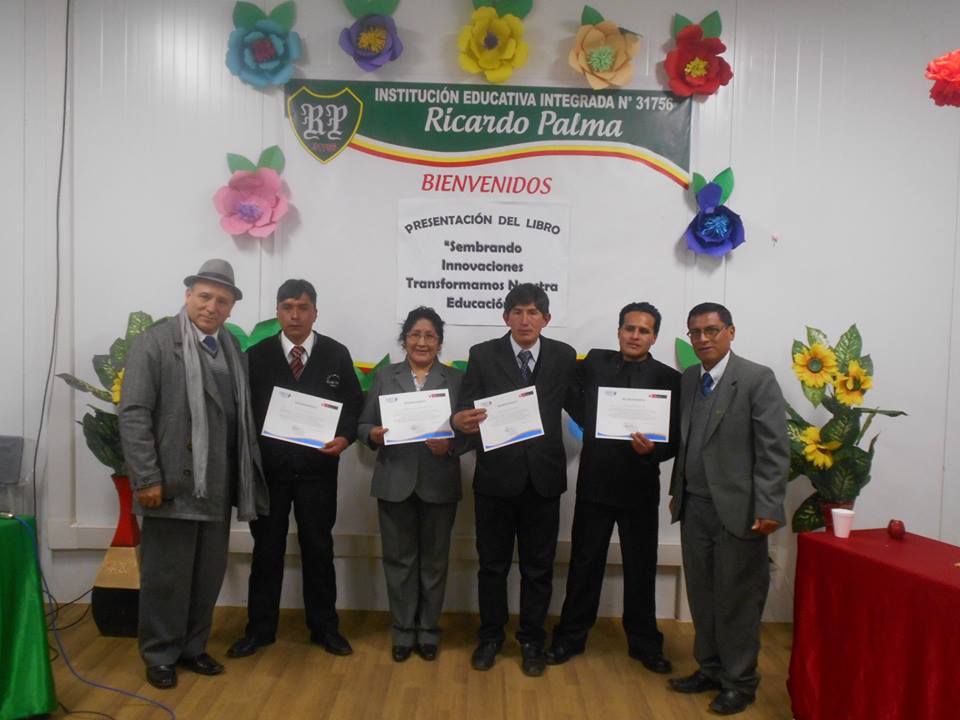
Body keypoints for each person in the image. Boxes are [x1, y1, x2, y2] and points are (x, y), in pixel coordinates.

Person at [119, 258, 268, 690]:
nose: (211, 307)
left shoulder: (232, 348)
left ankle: (192, 647)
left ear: (231, 308)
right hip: (172, 483)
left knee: (206, 575)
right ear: (188, 295)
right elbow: (133, 414)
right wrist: (146, 478)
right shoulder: (155, 343)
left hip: (218, 486)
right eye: (204, 296)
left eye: (222, 301)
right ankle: (160, 654)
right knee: (166, 577)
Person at [227, 279, 363, 659]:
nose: (295, 315)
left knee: (319, 549)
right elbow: (242, 412)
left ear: (315, 312)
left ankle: (325, 629)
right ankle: (259, 630)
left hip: (318, 472)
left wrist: (345, 437)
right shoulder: (257, 356)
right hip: (270, 473)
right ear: (277, 312)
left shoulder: (335, 354)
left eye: (303, 307)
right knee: (266, 552)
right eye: (287, 307)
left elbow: (354, 404)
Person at [667, 302, 789, 716]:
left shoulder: (756, 378)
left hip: (741, 511)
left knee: (737, 600)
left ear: (731, 332)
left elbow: (774, 449)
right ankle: (711, 669)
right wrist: (677, 489)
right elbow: (687, 442)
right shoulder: (689, 378)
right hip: (695, 508)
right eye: (695, 332)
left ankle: (740, 682)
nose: (703, 339)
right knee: (702, 596)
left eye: (712, 330)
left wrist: (770, 506)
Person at [546, 302, 680, 672]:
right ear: (619, 331)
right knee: (585, 563)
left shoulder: (669, 378)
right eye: (629, 328)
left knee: (641, 566)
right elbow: (566, 391)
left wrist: (654, 450)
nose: (635, 336)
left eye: (644, 330)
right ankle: (570, 637)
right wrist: (591, 421)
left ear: (654, 337)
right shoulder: (594, 363)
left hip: (640, 487)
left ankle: (645, 643)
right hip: (596, 484)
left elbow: (674, 439)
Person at [452, 283, 577, 677]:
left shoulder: (563, 355)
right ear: (505, 316)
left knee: (538, 568)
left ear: (546, 319)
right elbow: (466, 407)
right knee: (492, 566)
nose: (525, 319)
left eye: (533, 312)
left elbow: (582, 405)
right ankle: (490, 637)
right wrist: (459, 420)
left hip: (543, 479)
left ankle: (531, 640)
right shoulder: (482, 354)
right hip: (495, 478)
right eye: (518, 312)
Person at [357, 307, 464, 663]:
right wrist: (373, 434)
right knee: (399, 561)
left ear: (440, 342)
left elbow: (469, 433)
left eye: (429, 336)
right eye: (415, 335)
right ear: (404, 339)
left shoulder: (456, 379)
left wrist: (451, 445)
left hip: (439, 481)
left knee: (434, 562)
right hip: (394, 481)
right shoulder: (385, 376)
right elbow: (362, 425)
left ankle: (429, 631)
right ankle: (403, 631)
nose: (421, 342)